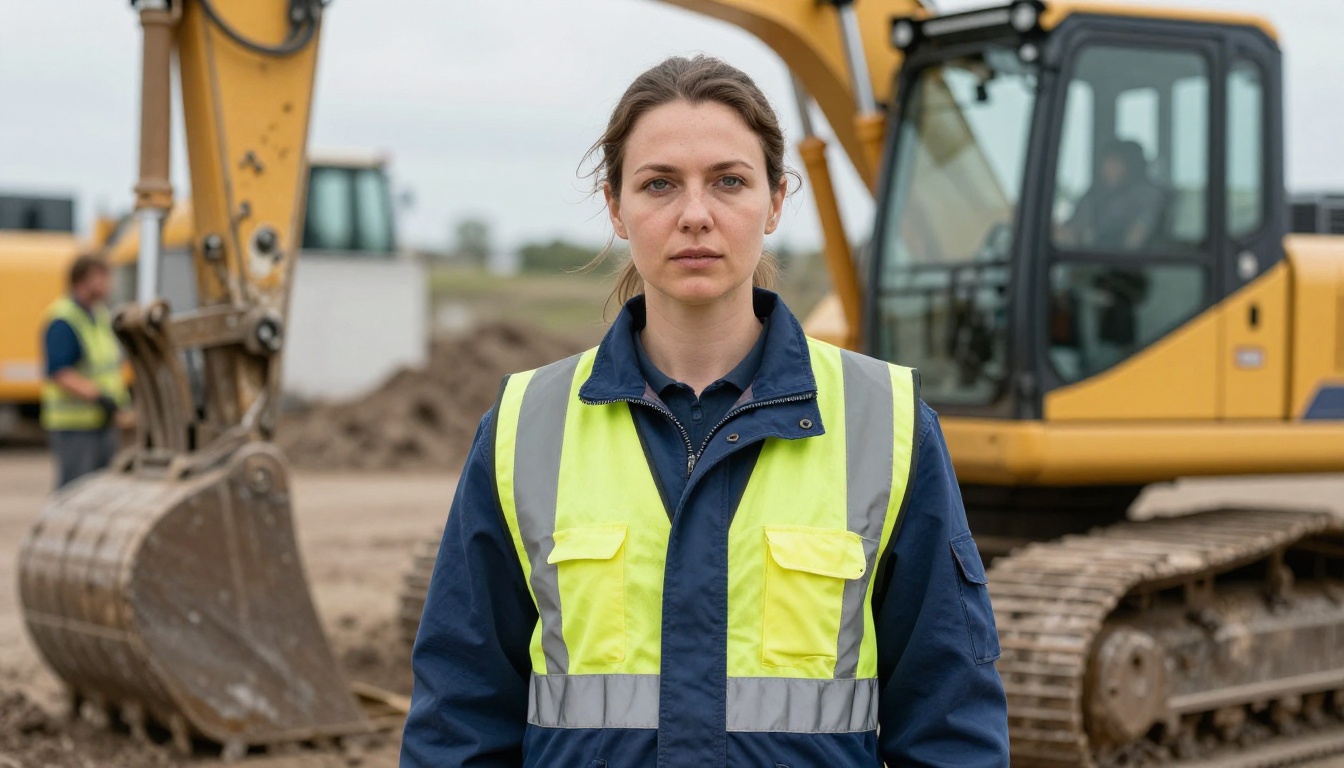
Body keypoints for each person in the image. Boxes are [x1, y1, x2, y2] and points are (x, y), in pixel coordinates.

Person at [402, 56, 1009, 767]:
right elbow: (460, 719)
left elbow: (950, 724)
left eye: (729, 181)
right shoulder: (523, 427)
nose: (695, 214)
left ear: (777, 201)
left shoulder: (889, 425)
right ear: (616, 207)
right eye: (659, 184)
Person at [41, 253, 131, 489]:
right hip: (75, 425)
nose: (108, 283)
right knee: (74, 489)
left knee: (99, 490)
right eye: (101, 277)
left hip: (102, 421)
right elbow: (60, 372)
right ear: (82, 281)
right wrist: (98, 397)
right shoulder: (64, 320)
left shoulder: (99, 315)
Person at [1057, 138, 1165, 251]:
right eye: (1106, 162)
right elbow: (1070, 230)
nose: (1108, 168)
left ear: (1130, 166)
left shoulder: (1148, 197)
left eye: (1115, 163)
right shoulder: (1094, 196)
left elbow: (1136, 240)